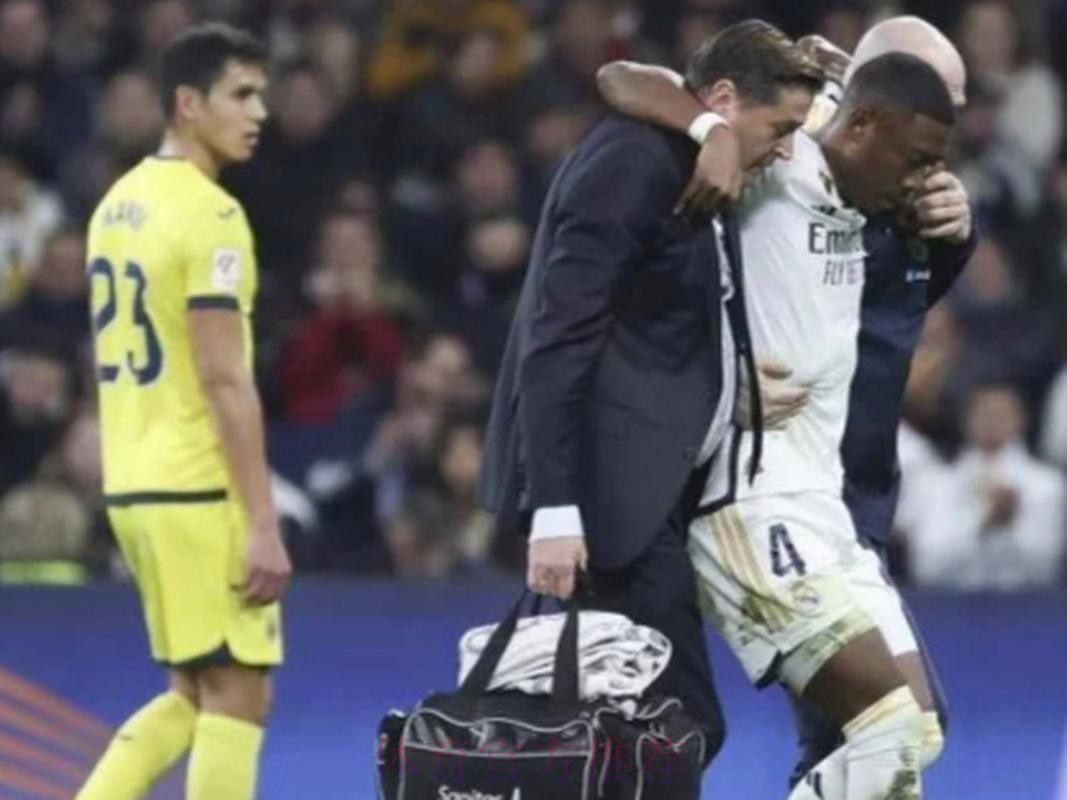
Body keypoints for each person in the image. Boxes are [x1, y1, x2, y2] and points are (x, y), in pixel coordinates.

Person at [598, 49, 958, 798]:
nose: (921, 180)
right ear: (860, 125)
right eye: (915, 161)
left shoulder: (865, 172)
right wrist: (711, 132)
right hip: (751, 507)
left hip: (825, 507)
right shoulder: (780, 158)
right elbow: (620, 79)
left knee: (917, 734)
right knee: (888, 725)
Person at [479, 19, 824, 766]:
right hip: (608, 502)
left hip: (654, 492)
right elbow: (557, 339)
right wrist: (554, 508)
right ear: (723, 100)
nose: (785, 150)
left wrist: (729, 386)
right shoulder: (635, 163)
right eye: (779, 129)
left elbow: (654, 325)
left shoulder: (696, 158)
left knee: (637, 735)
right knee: (674, 730)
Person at [76, 24, 291, 800]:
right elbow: (224, 379)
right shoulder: (211, 216)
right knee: (240, 694)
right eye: (241, 94)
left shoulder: (116, 205)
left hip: (135, 482)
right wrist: (261, 519)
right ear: (188, 104)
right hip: (198, 486)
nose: (258, 112)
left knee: (194, 691)